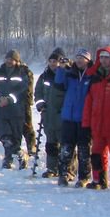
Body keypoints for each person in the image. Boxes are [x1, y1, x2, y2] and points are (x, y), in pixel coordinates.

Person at [55, 49, 93, 186]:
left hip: (84, 118)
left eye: (82, 58)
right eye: (77, 58)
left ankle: (83, 177)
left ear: (87, 60)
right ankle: (63, 174)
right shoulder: (70, 73)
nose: (79, 60)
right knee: (66, 148)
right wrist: (61, 69)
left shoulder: (91, 75)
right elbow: (59, 84)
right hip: (68, 117)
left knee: (84, 150)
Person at [0, 49, 30, 169]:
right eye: (7, 58)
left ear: (17, 61)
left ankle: (14, 158)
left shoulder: (22, 73)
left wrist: (10, 99)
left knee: (15, 138)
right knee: (5, 136)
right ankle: (13, 156)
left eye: (12, 59)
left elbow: (23, 90)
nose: (9, 61)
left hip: (16, 110)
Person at [82, 47, 110, 189]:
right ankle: (99, 181)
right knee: (96, 153)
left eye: (107, 58)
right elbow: (88, 103)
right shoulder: (95, 78)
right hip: (97, 125)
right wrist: (86, 124)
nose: (103, 60)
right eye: (101, 58)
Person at [34, 48, 68, 178]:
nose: (53, 63)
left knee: (65, 145)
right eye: (51, 61)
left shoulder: (67, 74)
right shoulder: (44, 76)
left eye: (56, 61)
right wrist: (40, 105)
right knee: (51, 144)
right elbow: (38, 93)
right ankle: (51, 168)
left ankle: (68, 169)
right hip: (48, 115)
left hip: (61, 115)